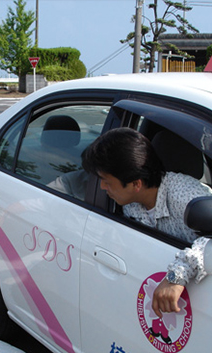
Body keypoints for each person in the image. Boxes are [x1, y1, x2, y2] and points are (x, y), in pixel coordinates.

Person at [82, 127, 212, 318]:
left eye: (106, 181)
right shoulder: (130, 203)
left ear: (136, 184)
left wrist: (176, 276)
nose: (101, 187)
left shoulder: (185, 197)